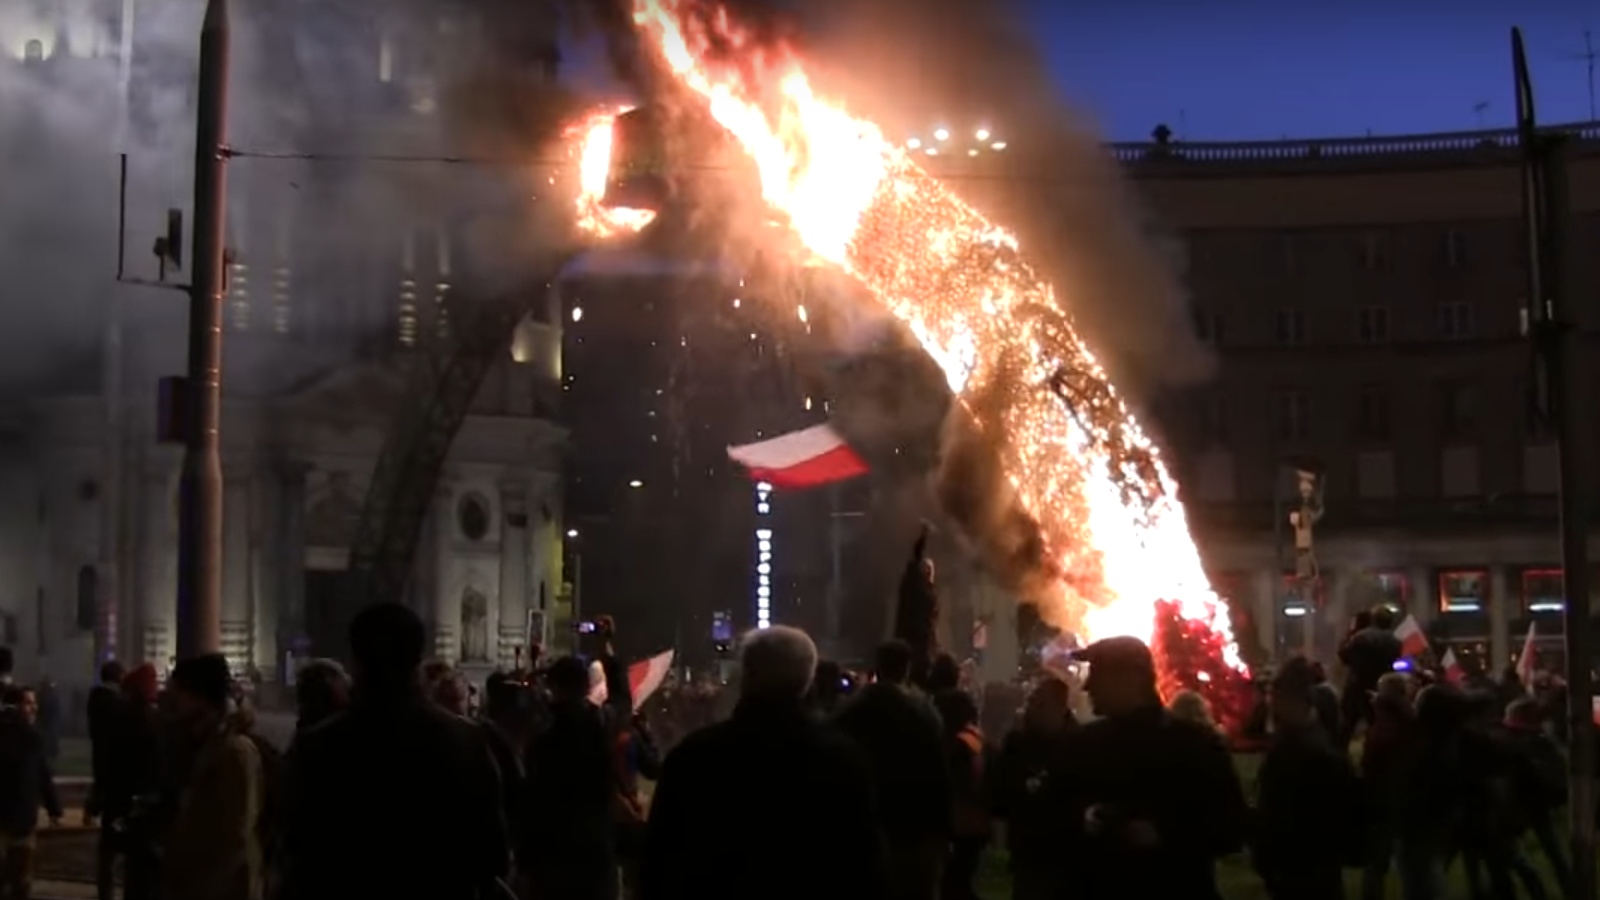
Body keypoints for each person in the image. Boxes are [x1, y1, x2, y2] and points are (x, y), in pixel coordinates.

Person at [280, 602, 508, 900]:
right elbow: (493, 854)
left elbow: (298, 851)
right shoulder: (465, 740)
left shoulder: (319, 745)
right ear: (418, 657)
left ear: (355, 659)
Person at [641, 626, 887, 900]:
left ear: (746, 676)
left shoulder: (693, 758)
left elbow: (659, 865)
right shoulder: (842, 761)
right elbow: (865, 866)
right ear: (808, 681)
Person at [1060, 636, 1249, 900]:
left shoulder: (1193, 746)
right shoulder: (1084, 745)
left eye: (1099, 673)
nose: (1087, 686)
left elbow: (1231, 828)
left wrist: (1165, 835)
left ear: (1132, 678)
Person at [832, 639, 951, 900]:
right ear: (906, 669)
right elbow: (937, 768)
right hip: (913, 824)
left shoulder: (852, 710)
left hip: (866, 823)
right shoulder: (924, 712)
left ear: (878, 667)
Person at [1251, 657, 1364, 900]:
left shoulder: (1307, 752)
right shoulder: (1308, 742)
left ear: (1295, 700)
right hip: (1307, 866)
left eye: (1276, 697)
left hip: (1303, 867)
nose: (1272, 704)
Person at [162, 654, 264, 900]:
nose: (171, 701)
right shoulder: (206, 743)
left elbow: (233, 839)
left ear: (200, 697)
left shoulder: (235, 751)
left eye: (178, 693)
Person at [521, 656, 618, 900]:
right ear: (586, 686)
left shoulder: (538, 734)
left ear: (553, 687)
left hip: (551, 856)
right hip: (594, 851)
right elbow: (622, 701)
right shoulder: (601, 727)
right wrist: (608, 650)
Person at [991, 677, 1078, 900]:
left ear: (1059, 707)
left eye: (1038, 704)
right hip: (1024, 857)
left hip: (1064, 861)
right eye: (1030, 702)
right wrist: (1000, 855)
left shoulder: (1079, 745)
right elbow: (999, 802)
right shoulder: (1017, 743)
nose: (1030, 709)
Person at [0, 685, 62, 900]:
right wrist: (54, 808)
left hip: (11, 815)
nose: (34, 708)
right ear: (16, 706)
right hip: (21, 816)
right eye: (28, 703)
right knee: (20, 879)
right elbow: (42, 775)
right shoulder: (30, 736)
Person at [1339, 607, 1403, 747]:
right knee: (1379, 725)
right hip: (1380, 688)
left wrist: (1350, 633)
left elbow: (1343, 655)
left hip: (1356, 687)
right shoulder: (1395, 642)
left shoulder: (1361, 637)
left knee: (1345, 728)